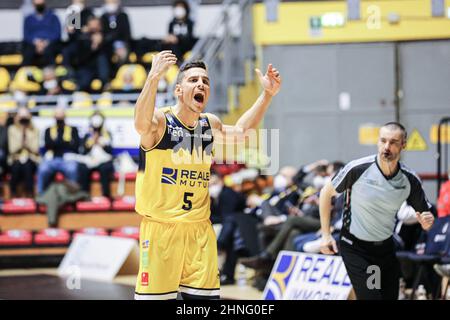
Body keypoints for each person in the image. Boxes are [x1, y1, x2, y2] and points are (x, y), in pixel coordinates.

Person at [133, 50, 281, 300]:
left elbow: (243, 132)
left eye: (205, 81)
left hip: (199, 231)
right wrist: (153, 78)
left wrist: (266, 95)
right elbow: (140, 124)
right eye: (193, 80)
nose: (201, 83)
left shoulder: (208, 124)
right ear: (178, 90)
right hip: (161, 230)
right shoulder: (161, 121)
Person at [319, 122, 435, 300]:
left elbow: (425, 215)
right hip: (356, 247)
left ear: (403, 145)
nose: (386, 147)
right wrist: (326, 235)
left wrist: (427, 222)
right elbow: (326, 193)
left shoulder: (409, 179)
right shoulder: (358, 169)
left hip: (385, 249)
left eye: (394, 142)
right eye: (383, 141)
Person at [37, 107, 80, 195]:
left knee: (72, 169)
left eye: (61, 116)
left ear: (65, 116)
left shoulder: (73, 129)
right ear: (54, 117)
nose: (59, 119)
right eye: (57, 116)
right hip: (52, 159)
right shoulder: (48, 130)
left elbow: (75, 146)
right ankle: (40, 194)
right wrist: (66, 143)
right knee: (43, 169)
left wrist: (56, 143)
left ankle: (73, 194)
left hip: (68, 158)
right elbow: (47, 145)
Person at [78, 111, 114, 198]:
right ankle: (84, 195)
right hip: (90, 160)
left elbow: (110, 151)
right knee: (82, 169)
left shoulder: (107, 134)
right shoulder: (87, 135)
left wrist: (101, 143)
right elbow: (84, 152)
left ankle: (106, 195)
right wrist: (92, 141)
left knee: (105, 168)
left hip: (103, 160)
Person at [7, 107, 40, 197]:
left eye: (25, 118)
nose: (23, 120)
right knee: (17, 167)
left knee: (27, 166)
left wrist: (27, 143)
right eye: (22, 118)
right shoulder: (12, 129)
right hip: (16, 158)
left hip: (31, 158)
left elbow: (36, 149)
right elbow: (12, 150)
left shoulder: (34, 130)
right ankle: (13, 194)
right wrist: (22, 138)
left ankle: (30, 194)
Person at [22, 0, 61, 67]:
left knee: (51, 51)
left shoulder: (53, 17)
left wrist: (46, 43)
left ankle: (51, 74)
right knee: (28, 52)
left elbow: (57, 33)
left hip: (50, 44)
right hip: (34, 44)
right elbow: (26, 35)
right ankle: (27, 73)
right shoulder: (28, 18)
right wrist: (37, 43)